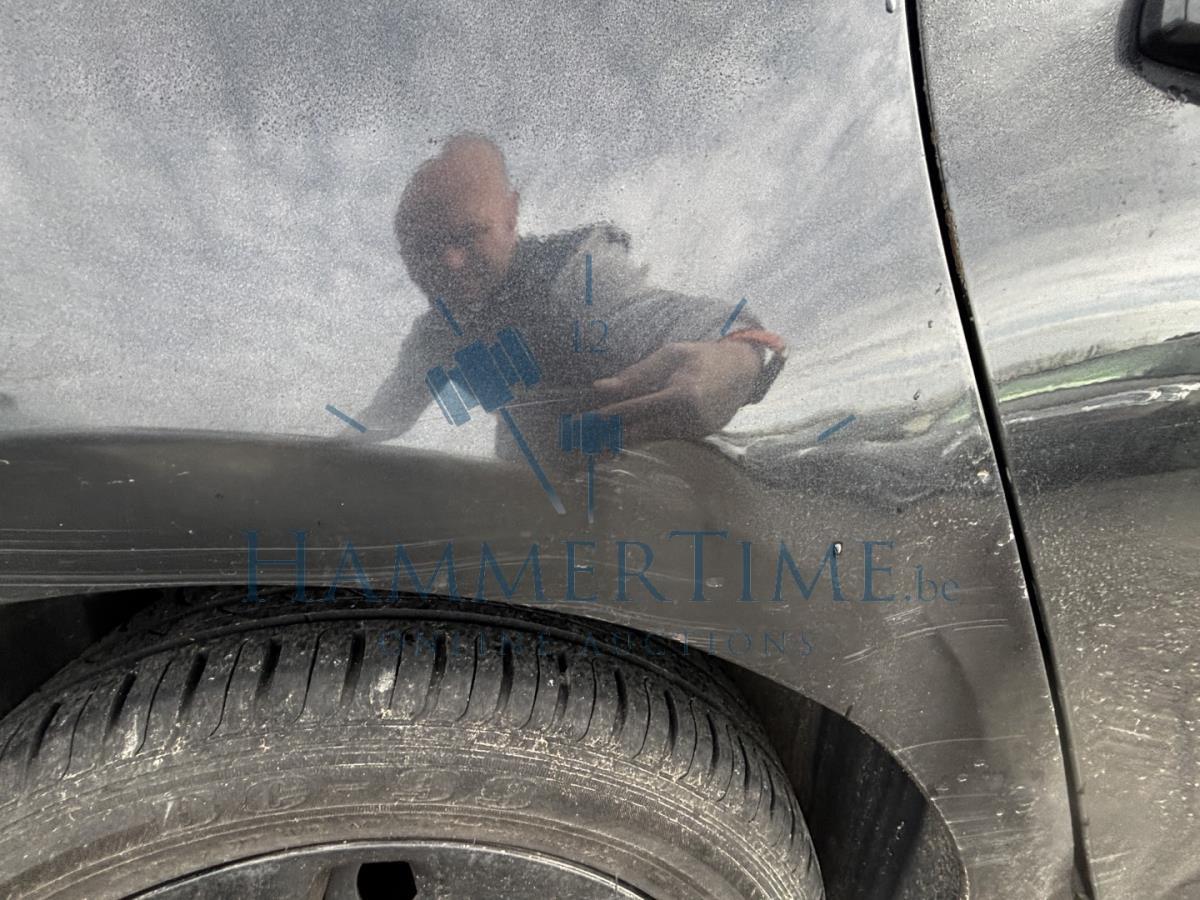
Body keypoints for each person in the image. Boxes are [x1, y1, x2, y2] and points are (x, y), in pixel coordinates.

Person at [358, 132, 786, 453]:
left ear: (510, 217)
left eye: (470, 233)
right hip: (536, 489)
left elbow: (712, 325)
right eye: (424, 249)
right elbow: (380, 421)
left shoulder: (574, 277)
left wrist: (735, 360)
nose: (450, 262)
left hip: (659, 474)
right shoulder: (433, 338)